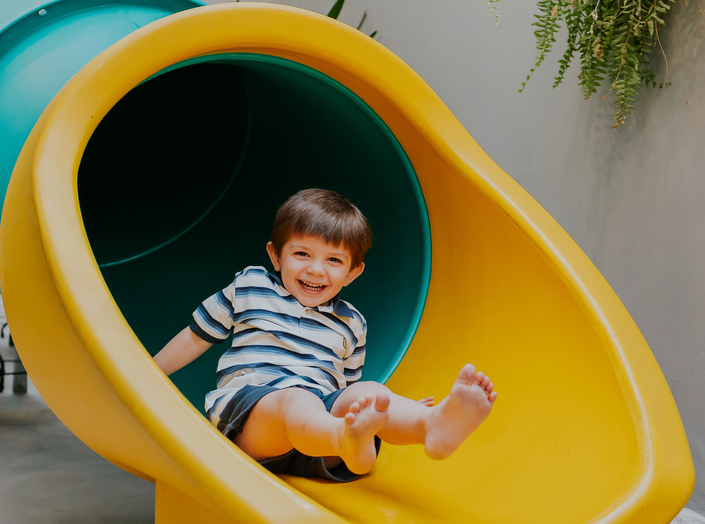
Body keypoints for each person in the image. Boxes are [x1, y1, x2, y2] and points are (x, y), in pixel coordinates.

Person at [154, 188, 497, 482]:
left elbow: (347, 393)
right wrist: (148, 375)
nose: (316, 269)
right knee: (295, 400)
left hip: (316, 443)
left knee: (372, 392)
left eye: (334, 260)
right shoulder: (252, 286)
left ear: (352, 273)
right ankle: (344, 438)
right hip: (254, 428)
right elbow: (196, 336)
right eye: (302, 254)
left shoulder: (351, 322)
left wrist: (396, 411)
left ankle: (429, 425)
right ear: (276, 255)